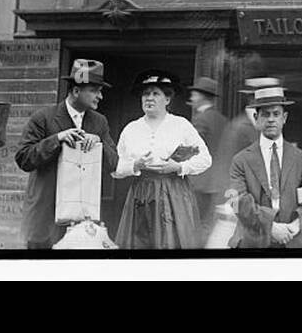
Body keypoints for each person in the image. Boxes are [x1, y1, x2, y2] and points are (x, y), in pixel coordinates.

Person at [14, 59, 119, 249]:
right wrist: (57, 139)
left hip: (83, 219)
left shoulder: (99, 122)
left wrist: (99, 143)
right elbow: (23, 158)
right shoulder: (43, 118)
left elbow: (113, 163)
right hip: (45, 216)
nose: (100, 96)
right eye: (94, 91)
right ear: (76, 91)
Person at [112, 71, 212, 249]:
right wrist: (134, 165)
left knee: (172, 243)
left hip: (174, 192)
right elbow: (115, 169)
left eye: (155, 94)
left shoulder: (181, 125)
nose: (149, 98)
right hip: (141, 194)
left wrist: (179, 167)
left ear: (167, 99)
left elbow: (205, 159)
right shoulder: (131, 129)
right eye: (145, 94)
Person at [228, 83, 302, 248]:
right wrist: (270, 227)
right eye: (265, 114)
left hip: (292, 239)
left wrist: (296, 225)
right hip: (254, 240)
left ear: (284, 118)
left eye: (276, 114)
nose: (271, 119)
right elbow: (237, 201)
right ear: (256, 118)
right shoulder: (241, 160)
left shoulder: (300, 158)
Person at [187, 75, 227, 240]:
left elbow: (190, 149)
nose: (191, 98)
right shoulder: (223, 120)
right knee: (210, 225)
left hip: (200, 183)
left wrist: (171, 162)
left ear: (202, 96)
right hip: (218, 183)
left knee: (195, 224)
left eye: (194, 94)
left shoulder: (200, 119)